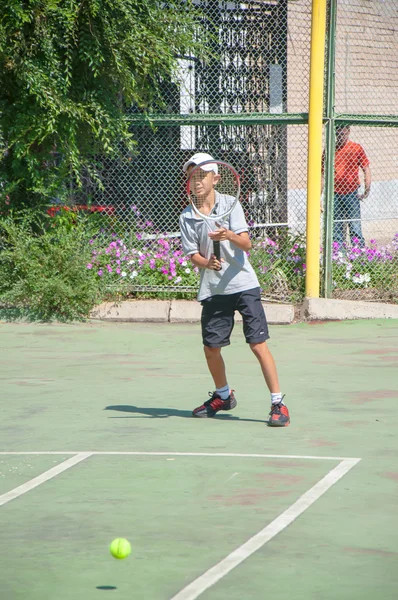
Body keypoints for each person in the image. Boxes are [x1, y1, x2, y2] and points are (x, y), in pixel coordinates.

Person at [179, 152, 290, 427]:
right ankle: (223, 396)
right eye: (192, 176)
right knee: (211, 348)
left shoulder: (231, 204)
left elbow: (246, 244)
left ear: (215, 178)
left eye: (202, 175)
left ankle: (278, 403)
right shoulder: (187, 216)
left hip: (244, 285)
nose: (197, 182)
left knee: (257, 344)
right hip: (215, 290)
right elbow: (192, 255)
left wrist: (228, 235)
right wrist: (208, 263)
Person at [322, 125, 371, 247]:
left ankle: (358, 254)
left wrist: (367, 189)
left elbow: (366, 168)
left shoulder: (356, 148)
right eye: (338, 134)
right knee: (336, 228)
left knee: (354, 226)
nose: (340, 137)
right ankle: (338, 255)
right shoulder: (330, 149)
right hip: (334, 193)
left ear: (348, 132)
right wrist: (320, 195)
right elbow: (321, 173)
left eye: (343, 134)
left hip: (351, 192)